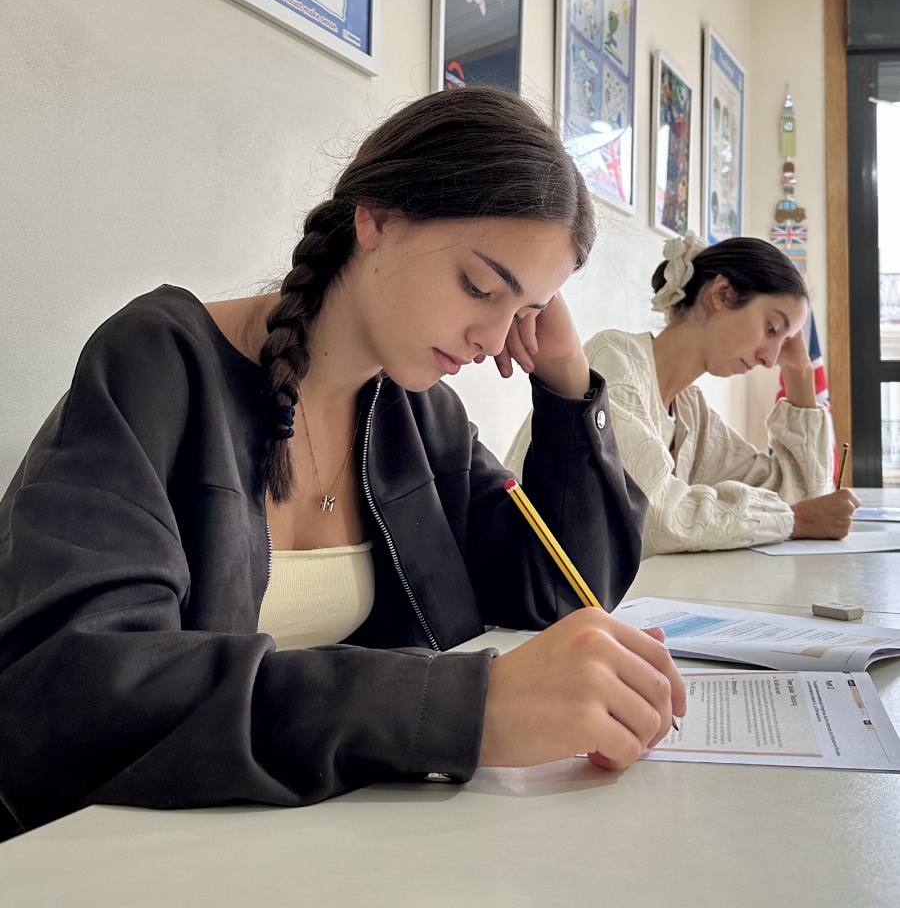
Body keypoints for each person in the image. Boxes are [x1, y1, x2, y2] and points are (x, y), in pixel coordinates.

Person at [0, 87, 685, 837]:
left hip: (315, 841)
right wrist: (461, 708)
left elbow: (562, 590)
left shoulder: (419, 417)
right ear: (377, 218)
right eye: (479, 287)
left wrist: (567, 385)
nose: (493, 339)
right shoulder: (159, 365)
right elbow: (83, 692)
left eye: (522, 312)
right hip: (119, 852)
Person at [507, 232, 858, 556]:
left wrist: (800, 373)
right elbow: (655, 517)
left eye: (785, 342)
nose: (770, 358)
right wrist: (792, 520)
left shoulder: (693, 414)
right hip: (524, 586)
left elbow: (807, 502)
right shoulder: (614, 361)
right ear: (721, 294)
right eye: (771, 328)